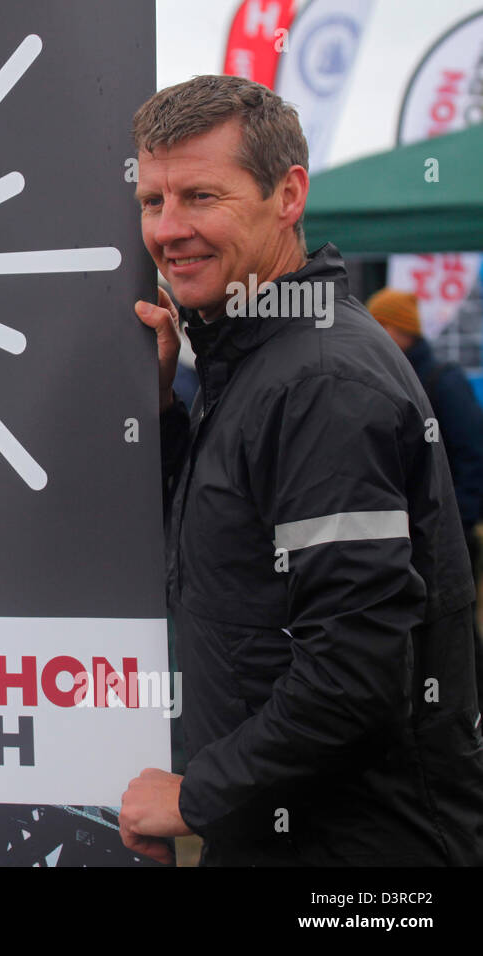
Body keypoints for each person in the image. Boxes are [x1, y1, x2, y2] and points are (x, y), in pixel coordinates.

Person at [120, 74, 483, 865]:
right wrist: (165, 417)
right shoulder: (252, 357)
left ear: (288, 195)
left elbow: (355, 669)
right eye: (153, 202)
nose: (168, 229)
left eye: (201, 197)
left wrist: (199, 793)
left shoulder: (318, 379)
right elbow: (239, 552)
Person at [367, 287, 483, 592]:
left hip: (445, 536)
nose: (371, 337)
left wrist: (457, 522)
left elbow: (471, 453)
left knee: (453, 628)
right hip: (407, 536)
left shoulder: (444, 381)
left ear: (398, 329)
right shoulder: (386, 377)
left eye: (380, 326)